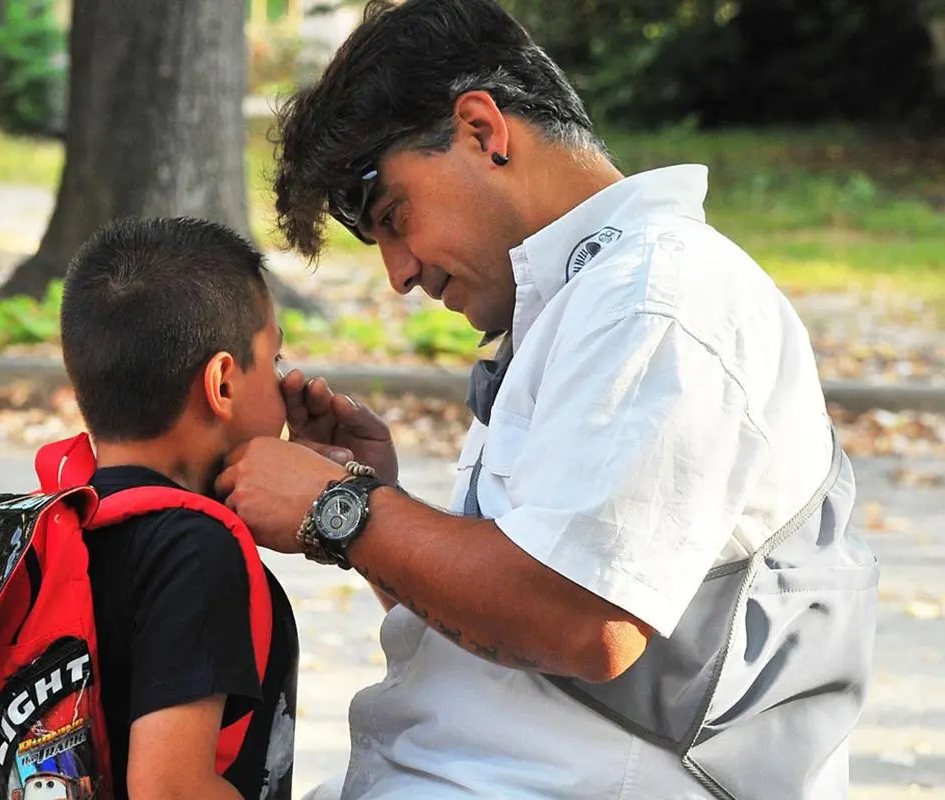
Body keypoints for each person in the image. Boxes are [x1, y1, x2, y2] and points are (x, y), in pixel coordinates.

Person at [213, 1, 879, 798]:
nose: (399, 273)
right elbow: (508, 630)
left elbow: (584, 622)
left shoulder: (659, 302)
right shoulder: (587, 301)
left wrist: (343, 509)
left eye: (395, 218)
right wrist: (379, 511)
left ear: (484, 131)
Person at [61, 216, 299, 799]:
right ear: (222, 383)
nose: (290, 383)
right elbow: (169, 791)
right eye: (274, 360)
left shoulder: (68, 519)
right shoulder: (195, 551)